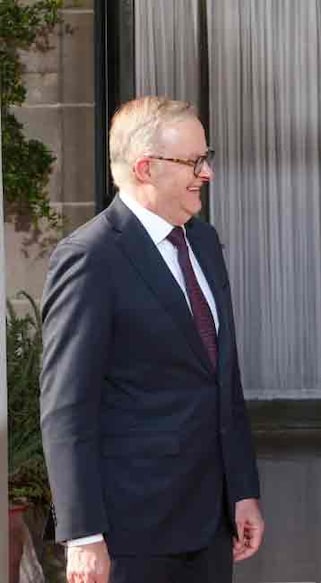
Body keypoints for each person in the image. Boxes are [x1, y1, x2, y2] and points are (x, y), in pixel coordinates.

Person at [40, 96, 264, 583]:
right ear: (145, 167)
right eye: (194, 161)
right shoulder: (90, 257)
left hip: (210, 524)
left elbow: (223, 381)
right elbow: (67, 407)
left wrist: (242, 490)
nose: (207, 173)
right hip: (130, 533)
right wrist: (83, 534)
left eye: (207, 158)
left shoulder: (204, 242)